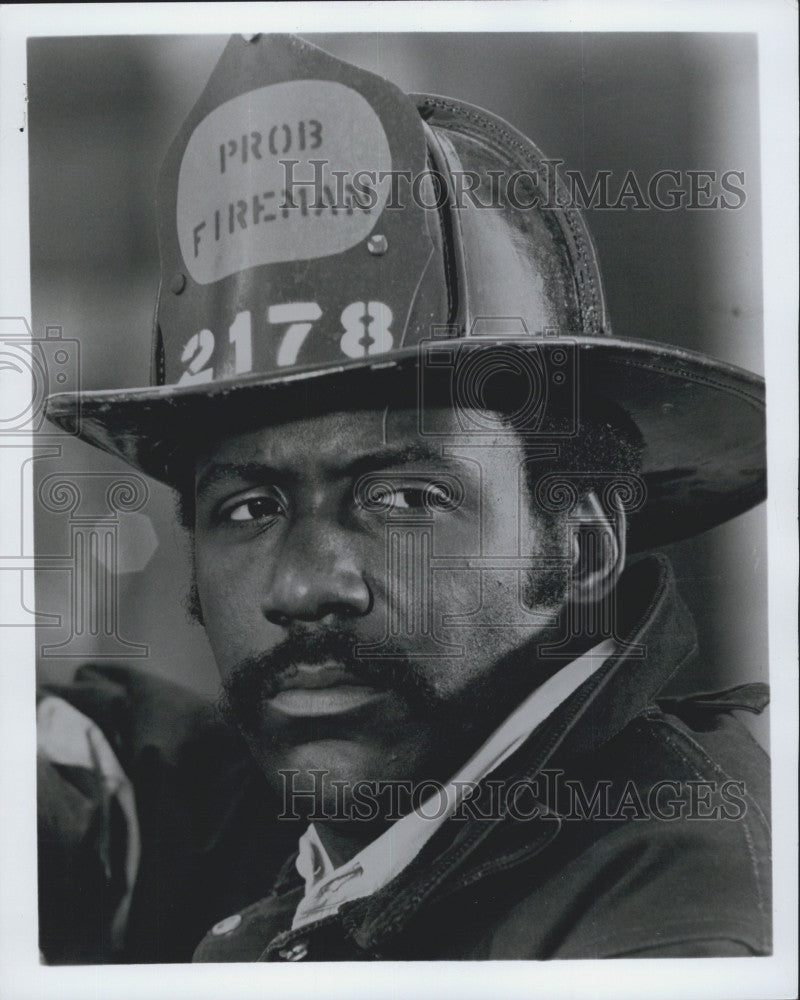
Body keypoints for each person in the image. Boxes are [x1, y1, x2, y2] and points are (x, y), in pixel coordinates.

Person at [41, 33, 770, 962]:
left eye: (403, 498)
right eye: (248, 509)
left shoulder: (677, 923)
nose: (303, 587)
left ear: (582, 552)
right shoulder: (364, 837)